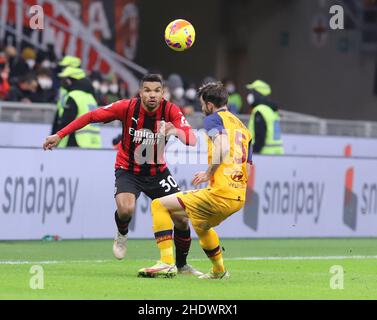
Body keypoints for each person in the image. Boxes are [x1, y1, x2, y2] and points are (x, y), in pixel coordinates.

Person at [43, 74, 202, 276]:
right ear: (140, 92)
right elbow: (91, 116)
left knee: (181, 218)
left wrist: (175, 131)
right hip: (128, 169)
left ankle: (182, 265)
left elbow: (193, 140)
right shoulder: (127, 107)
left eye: (156, 91)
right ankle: (122, 233)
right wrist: (60, 134)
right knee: (126, 210)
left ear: (163, 93)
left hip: (157, 172)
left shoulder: (171, 110)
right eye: (147, 90)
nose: (152, 95)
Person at [137, 81, 253, 279]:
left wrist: (209, 173)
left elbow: (223, 147)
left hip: (220, 193)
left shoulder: (213, 120)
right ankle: (219, 271)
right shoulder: (243, 128)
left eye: (202, 104)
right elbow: (248, 166)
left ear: (209, 104)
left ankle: (166, 262)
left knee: (159, 205)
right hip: (237, 196)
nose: (202, 108)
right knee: (201, 225)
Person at [52, 66, 101, 148]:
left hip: (76, 141)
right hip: (93, 142)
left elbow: (66, 120)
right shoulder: (90, 97)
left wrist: (56, 137)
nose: (63, 82)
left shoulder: (73, 96)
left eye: (65, 79)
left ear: (71, 80)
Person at [246, 80, 284, 154]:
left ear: (258, 94)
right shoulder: (271, 110)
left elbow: (260, 140)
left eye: (252, 92)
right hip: (276, 155)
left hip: (264, 156)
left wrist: (250, 155)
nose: (249, 95)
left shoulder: (260, 111)